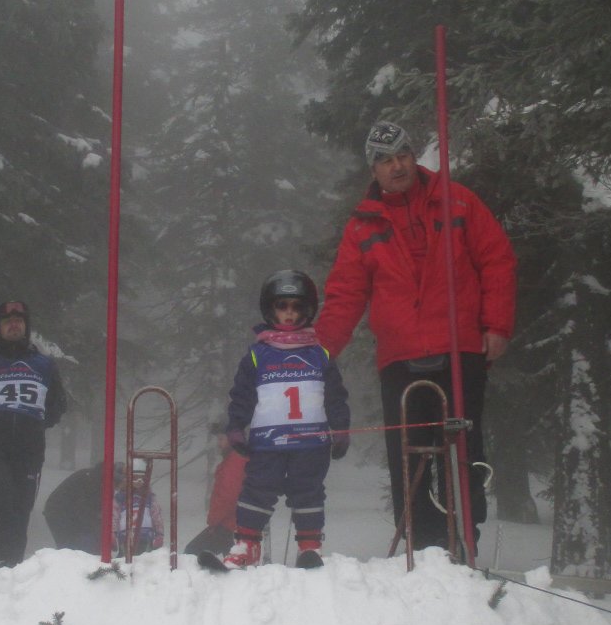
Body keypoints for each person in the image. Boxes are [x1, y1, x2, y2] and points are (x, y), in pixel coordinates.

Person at [315, 120, 517, 554]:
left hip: (460, 347)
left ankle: (466, 540)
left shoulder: (458, 200)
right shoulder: (362, 227)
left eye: (403, 155)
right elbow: (346, 293)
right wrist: (319, 353)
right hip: (400, 357)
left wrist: (497, 325)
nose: (397, 166)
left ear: (413, 156)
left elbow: (497, 259)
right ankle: (423, 548)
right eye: (386, 161)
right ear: (373, 170)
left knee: (465, 448)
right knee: (409, 454)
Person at [221, 270, 350, 569]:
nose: (289, 314)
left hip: (311, 443)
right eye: (282, 306)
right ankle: (246, 545)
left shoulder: (320, 354)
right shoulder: (257, 355)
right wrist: (236, 427)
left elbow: (335, 396)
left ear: (308, 310)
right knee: (257, 489)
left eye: (296, 307)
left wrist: (341, 428)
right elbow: (242, 395)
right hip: (268, 443)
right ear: (270, 309)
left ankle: (309, 547)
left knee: (308, 491)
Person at [0, 299, 67, 570]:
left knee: (22, 507)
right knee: (2, 498)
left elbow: (58, 404)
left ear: (26, 326)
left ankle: (13, 566)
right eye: (8, 322)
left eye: (19, 322)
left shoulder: (44, 365)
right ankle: (1, 559)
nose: (14, 326)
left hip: (29, 448)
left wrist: (34, 423)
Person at [183, 422, 247, 558]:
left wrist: (214, 520)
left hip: (227, 524)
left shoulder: (235, 462)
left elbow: (227, 496)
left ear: (233, 440)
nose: (218, 443)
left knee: (192, 553)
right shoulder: (234, 460)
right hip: (231, 522)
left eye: (221, 439)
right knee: (231, 559)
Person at [42, 462, 107, 553]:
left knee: (70, 545)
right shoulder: (90, 481)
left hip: (60, 510)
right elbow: (83, 509)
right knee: (68, 546)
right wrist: (97, 526)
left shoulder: (90, 477)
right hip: (59, 512)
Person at [113, 460, 164, 557]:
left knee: (143, 560)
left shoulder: (149, 497)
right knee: (126, 559)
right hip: (125, 537)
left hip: (146, 536)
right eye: (135, 478)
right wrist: (113, 533)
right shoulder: (120, 498)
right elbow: (114, 516)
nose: (139, 482)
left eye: (142, 478)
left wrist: (159, 534)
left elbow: (157, 516)